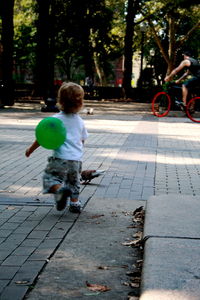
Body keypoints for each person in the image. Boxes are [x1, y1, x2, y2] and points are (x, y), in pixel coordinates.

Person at [25, 82, 88, 213]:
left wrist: (30, 149)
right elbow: (82, 140)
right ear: (80, 102)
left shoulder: (55, 120)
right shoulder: (80, 121)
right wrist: (78, 153)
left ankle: (59, 191)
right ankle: (75, 203)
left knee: (50, 178)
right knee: (74, 182)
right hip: (76, 160)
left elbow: (42, 138)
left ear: (60, 100)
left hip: (59, 158)